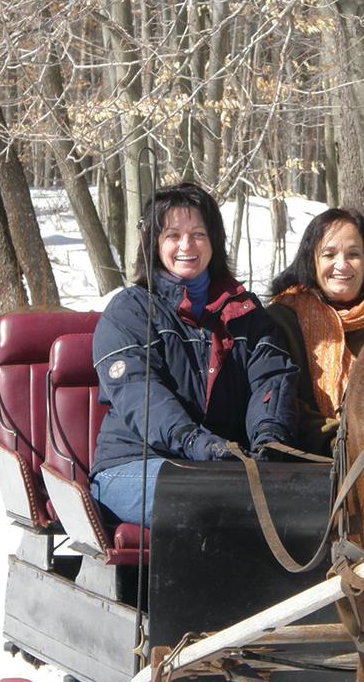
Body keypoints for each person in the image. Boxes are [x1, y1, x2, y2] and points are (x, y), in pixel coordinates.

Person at [90, 182, 298, 527]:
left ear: (214, 242)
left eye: (198, 234)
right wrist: (196, 442)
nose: (186, 245)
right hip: (132, 465)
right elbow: (139, 393)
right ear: (155, 244)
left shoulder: (246, 313)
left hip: (222, 470)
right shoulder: (130, 310)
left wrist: (269, 441)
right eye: (173, 235)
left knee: (300, 500)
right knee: (208, 499)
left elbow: (271, 379)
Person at [268, 208, 364, 454]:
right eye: (329, 254)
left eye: (353, 254)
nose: (341, 265)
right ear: (311, 260)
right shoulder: (281, 319)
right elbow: (282, 398)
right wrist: (339, 442)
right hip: (302, 461)